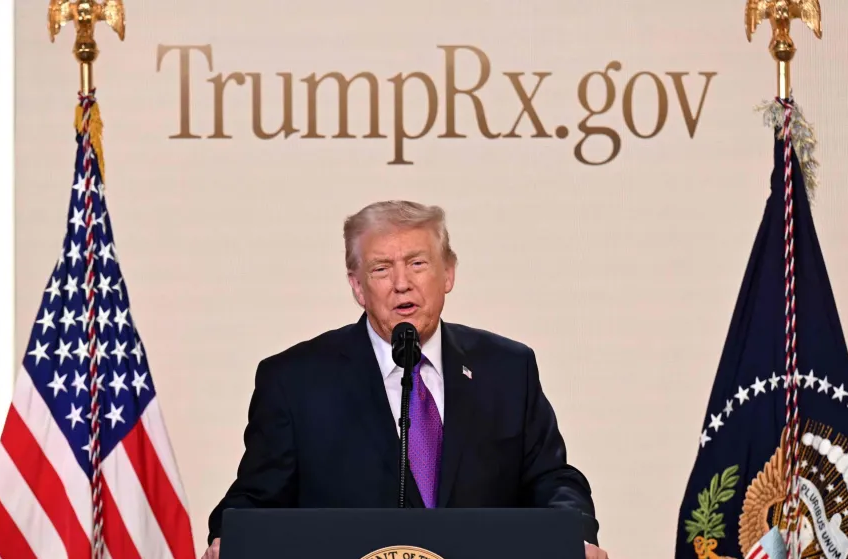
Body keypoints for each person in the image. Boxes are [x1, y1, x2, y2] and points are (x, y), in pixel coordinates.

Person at [202, 200, 608, 559]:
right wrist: (229, 537)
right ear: (357, 286)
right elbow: (257, 496)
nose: (401, 283)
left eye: (417, 263)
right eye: (381, 269)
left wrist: (573, 536)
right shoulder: (295, 380)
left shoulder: (507, 368)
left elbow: (551, 479)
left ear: (447, 273)